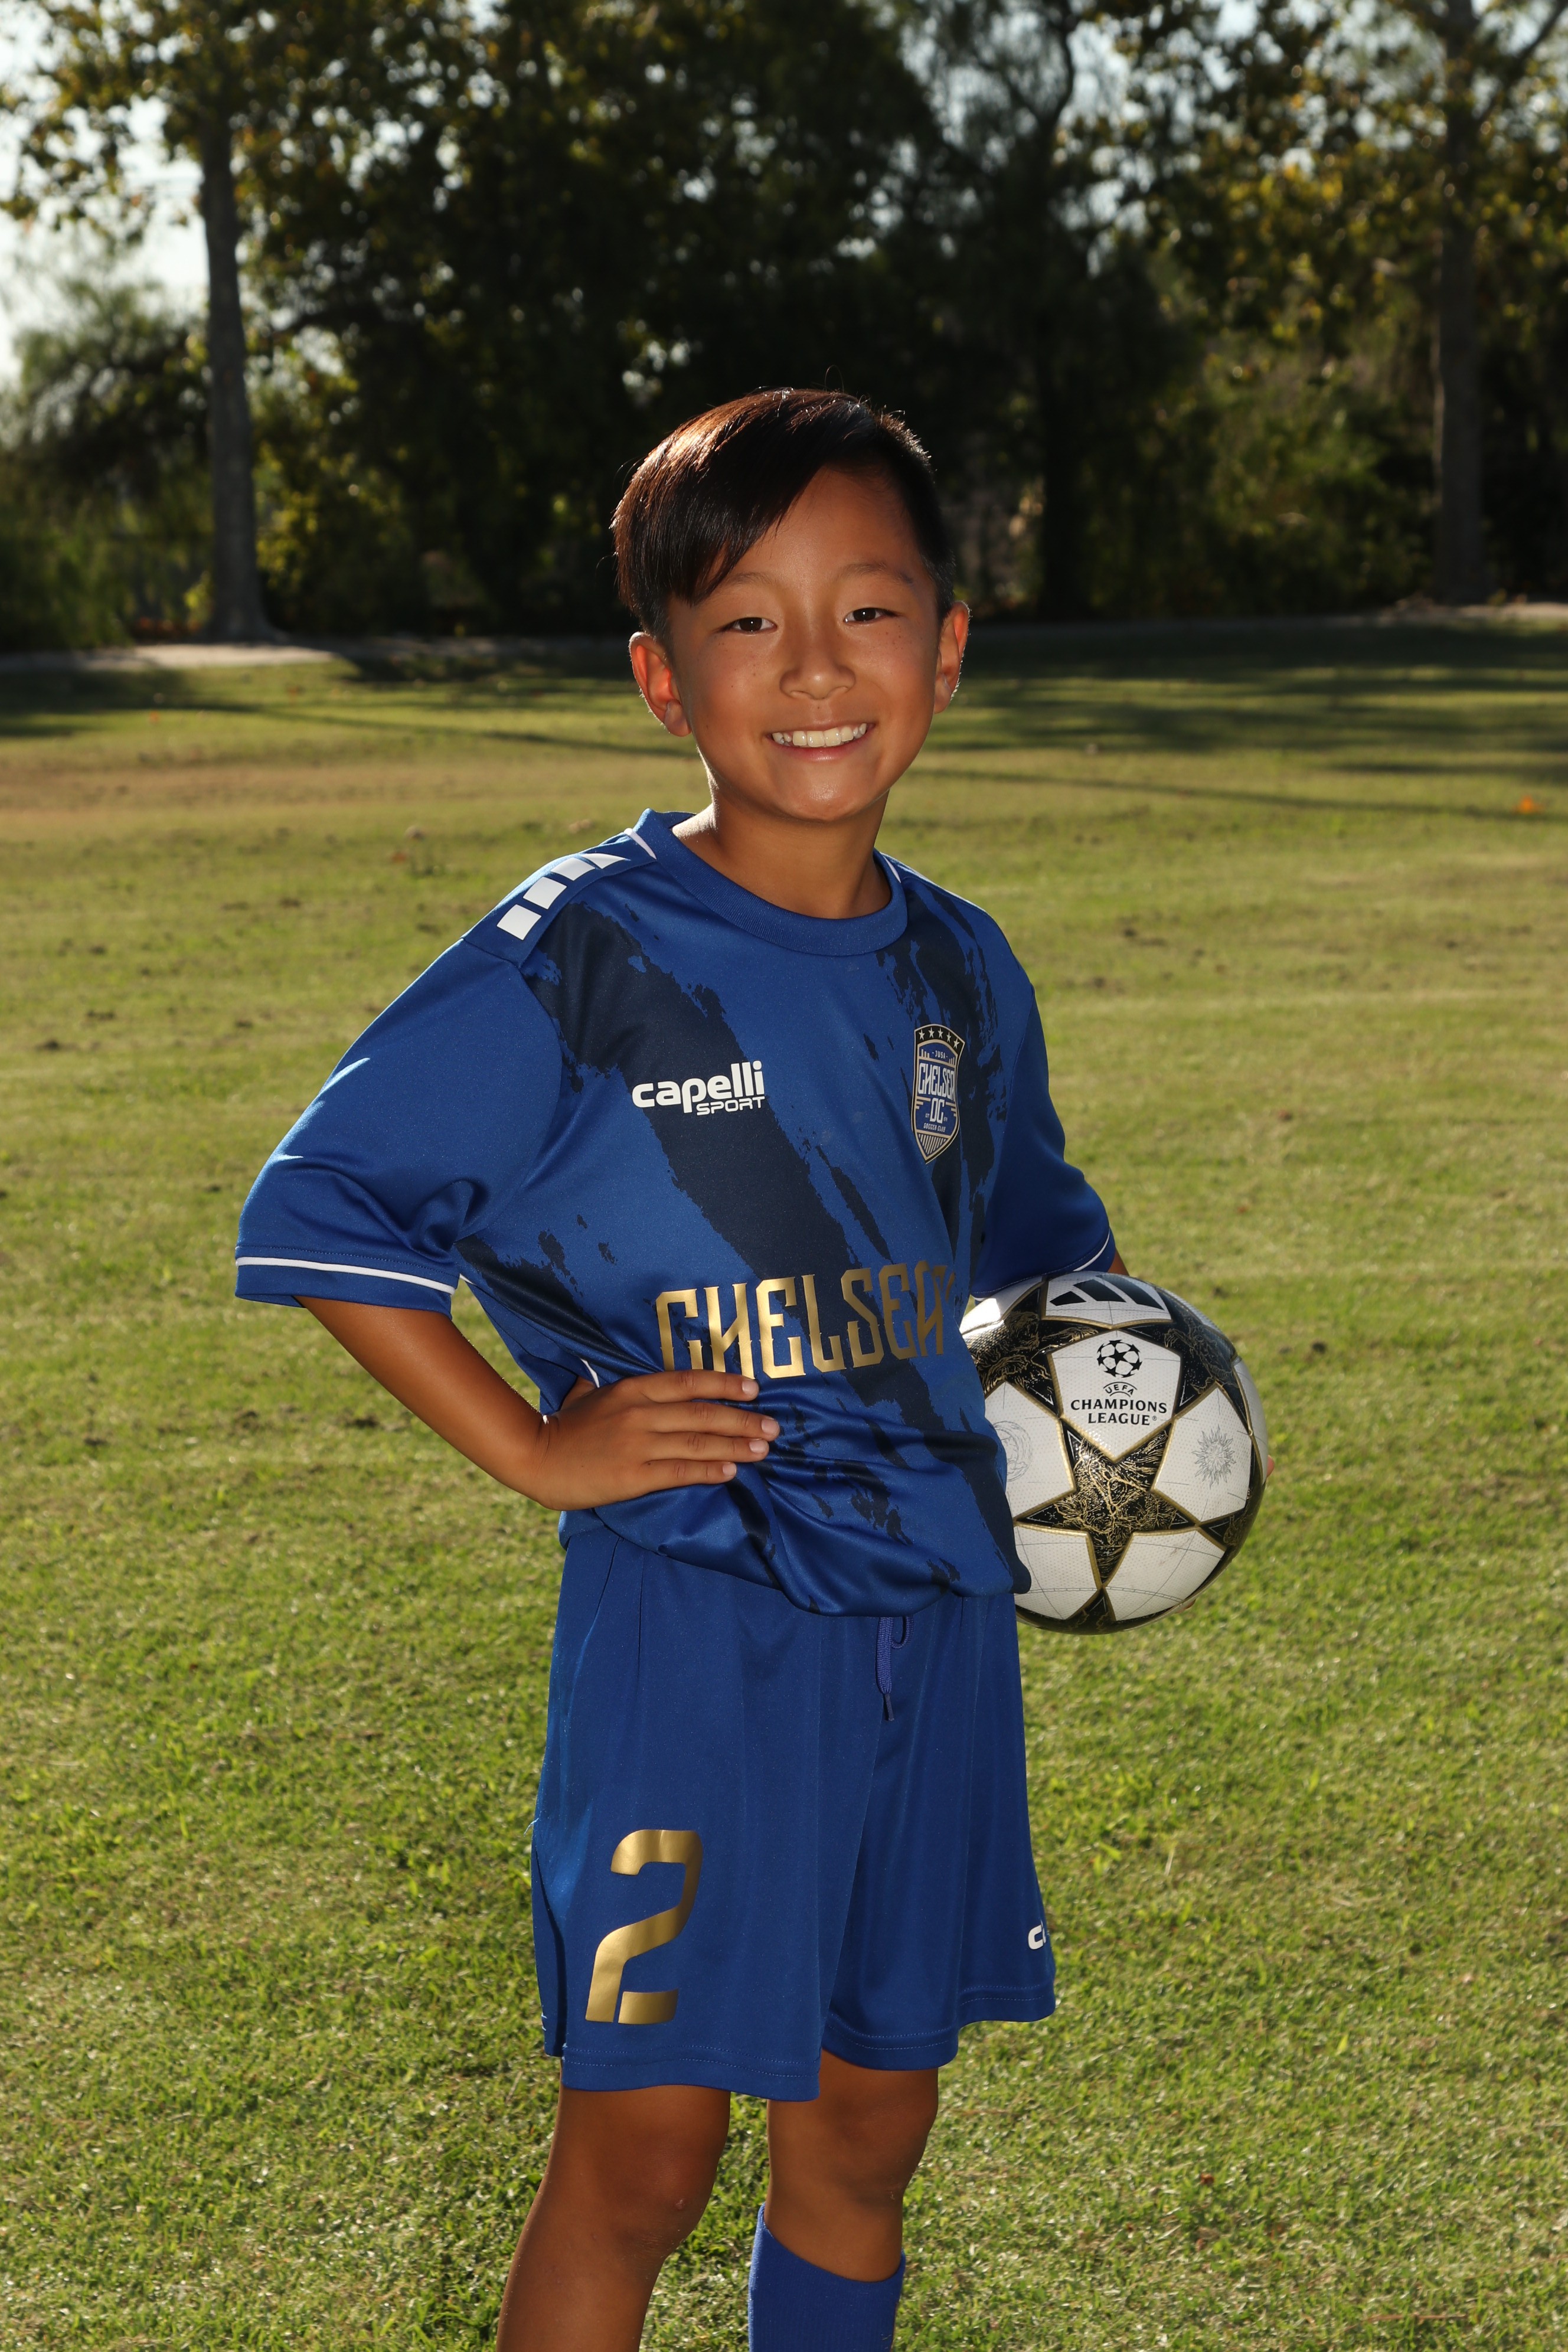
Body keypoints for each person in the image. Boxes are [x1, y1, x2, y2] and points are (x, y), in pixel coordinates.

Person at [234, 387, 1122, 2352]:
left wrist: (1122, 1407)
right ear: (661, 678)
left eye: (867, 611)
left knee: (870, 2132)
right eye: (745, 622)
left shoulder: (962, 970)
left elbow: (1034, 1244)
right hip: (700, 1625)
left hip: (935, 1628)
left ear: (947, 648)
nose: (813, 669)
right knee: (643, 2160)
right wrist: (536, 1450)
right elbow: (325, 1207)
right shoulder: (586, 953)